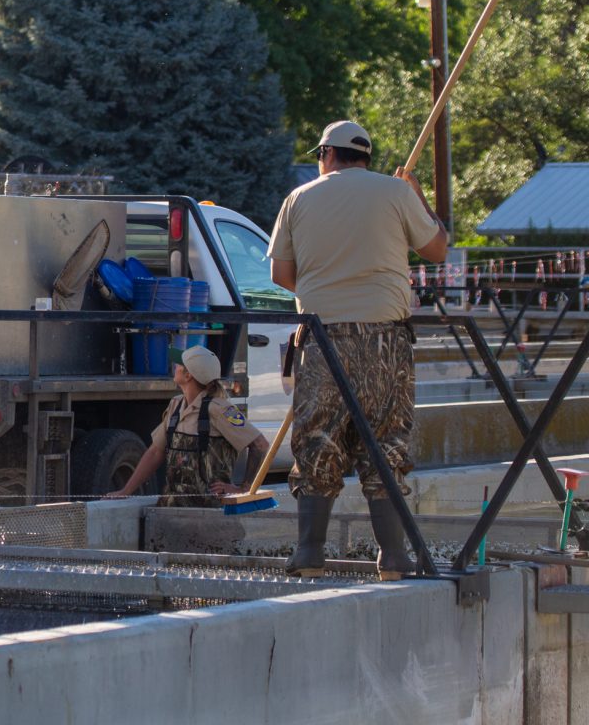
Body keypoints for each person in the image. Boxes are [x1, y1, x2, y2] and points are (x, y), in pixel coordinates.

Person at [268, 120, 448, 580]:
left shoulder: (299, 198)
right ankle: (393, 557)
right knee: (385, 440)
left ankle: (309, 553)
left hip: (323, 338)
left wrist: (322, 287)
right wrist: (416, 192)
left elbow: (282, 276)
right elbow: (437, 250)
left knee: (317, 440)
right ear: (365, 156)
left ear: (326, 154)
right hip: (386, 339)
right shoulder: (395, 192)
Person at [104, 345, 269, 506]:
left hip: (210, 511)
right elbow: (155, 452)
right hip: (172, 506)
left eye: (179, 364)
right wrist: (125, 491)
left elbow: (260, 445)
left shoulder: (220, 409)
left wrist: (245, 489)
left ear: (188, 375)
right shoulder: (175, 405)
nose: (174, 367)